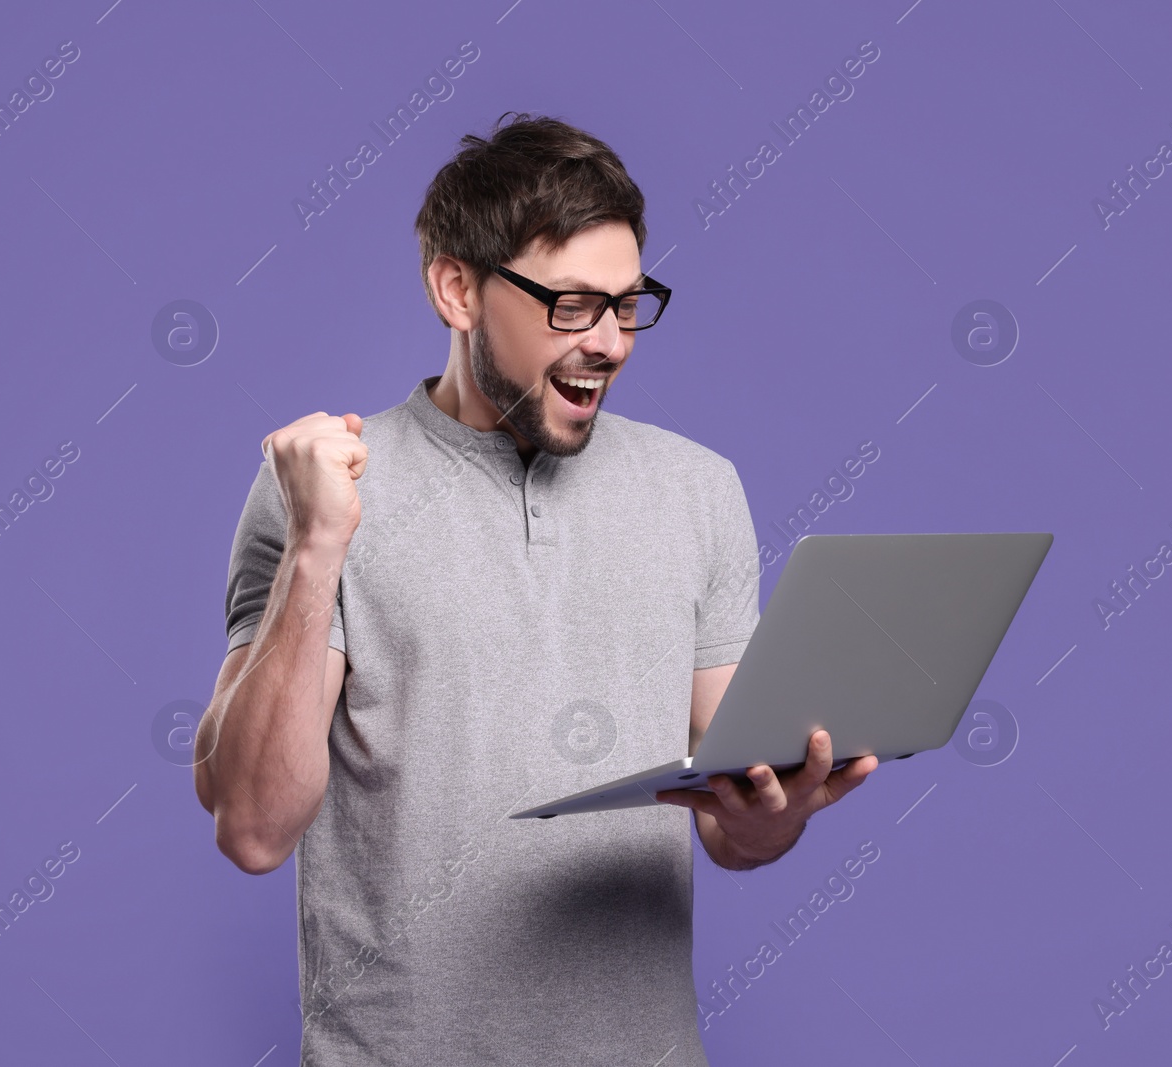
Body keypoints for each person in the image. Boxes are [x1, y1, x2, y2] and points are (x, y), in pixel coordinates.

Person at [192, 112, 879, 1066]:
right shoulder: (323, 488)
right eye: (571, 304)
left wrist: (775, 817)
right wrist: (317, 549)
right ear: (457, 289)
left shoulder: (699, 489)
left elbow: (733, 824)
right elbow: (255, 827)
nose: (611, 343)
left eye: (628, 304)